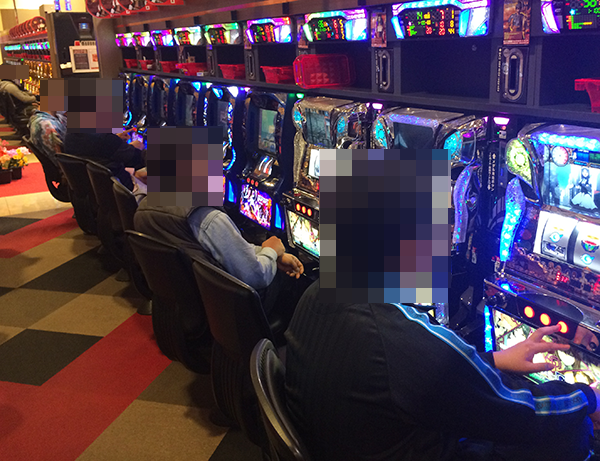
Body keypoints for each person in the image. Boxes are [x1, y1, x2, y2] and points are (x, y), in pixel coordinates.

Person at [285, 279, 600, 461]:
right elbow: (519, 414)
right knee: (572, 433)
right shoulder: (396, 333)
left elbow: (426, 375)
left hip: (350, 443)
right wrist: (588, 398)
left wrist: (495, 360)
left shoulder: (318, 290)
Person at [134, 199, 307, 318]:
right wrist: (272, 252)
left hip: (181, 305)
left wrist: (266, 251)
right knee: (293, 278)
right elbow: (256, 277)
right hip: (222, 309)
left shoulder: (145, 206)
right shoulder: (208, 218)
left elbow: (227, 247)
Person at [64, 129, 147, 198]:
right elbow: (137, 159)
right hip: (123, 193)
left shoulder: (70, 135)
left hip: (93, 192)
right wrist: (136, 147)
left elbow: (98, 148)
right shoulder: (105, 139)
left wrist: (117, 140)